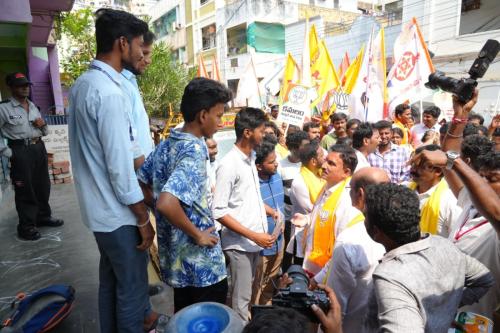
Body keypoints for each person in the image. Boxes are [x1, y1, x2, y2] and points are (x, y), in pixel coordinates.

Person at [68, 9, 154, 332]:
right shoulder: (109, 94)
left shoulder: (82, 85)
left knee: (111, 284)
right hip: (118, 215)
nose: (140, 52)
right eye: (138, 44)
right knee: (132, 290)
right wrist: (143, 219)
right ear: (122, 43)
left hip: (98, 214)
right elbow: (121, 171)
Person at [138, 77, 231, 313]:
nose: (220, 122)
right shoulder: (194, 149)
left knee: (184, 321)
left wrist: (157, 203)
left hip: (177, 265)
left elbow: (141, 182)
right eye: (218, 115)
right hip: (203, 269)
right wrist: (196, 234)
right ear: (203, 115)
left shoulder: (169, 143)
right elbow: (168, 204)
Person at [416, 89, 500, 320]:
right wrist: (460, 116)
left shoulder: (495, 220)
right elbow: (450, 160)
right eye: (480, 176)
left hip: (478, 320)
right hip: (447, 314)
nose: (481, 183)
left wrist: (453, 161)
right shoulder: (472, 205)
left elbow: (451, 160)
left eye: (492, 179)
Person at [364, 183, 493, 332]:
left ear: (376, 231)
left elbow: (484, 280)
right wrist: (445, 306)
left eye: (365, 216)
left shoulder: (389, 276)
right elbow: (484, 280)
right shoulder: (444, 245)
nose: (364, 220)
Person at [212, 107, 274, 321]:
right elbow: (218, 211)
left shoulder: (250, 159)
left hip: (253, 244)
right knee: (241, 302)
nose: (264, 134)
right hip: (240, 246)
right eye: (261, 130)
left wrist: (271, 212)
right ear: (247, 132)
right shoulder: (229, 164)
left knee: (245, 298)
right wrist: (254, 235)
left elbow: (246, 199)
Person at [310, 167, 387, 333]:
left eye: (349, 188)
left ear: (360, 194)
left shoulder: (350, 240)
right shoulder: (398, 230)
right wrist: (318, 278)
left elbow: (336, 307)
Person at [0, 72, 64, 241]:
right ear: (11, 87)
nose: (25, 88)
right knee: (25, 189)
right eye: (21, 85)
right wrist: (7, 152)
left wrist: (43, 126)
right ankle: (26, 226)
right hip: (20, 150)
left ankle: (42, 216)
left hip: (38, 147)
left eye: (27, 85)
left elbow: (44, 130)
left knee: (42, 185)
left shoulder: (33, 106)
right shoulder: (3, 108)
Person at [297, 144, 359, 277]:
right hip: (312, 266)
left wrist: (319, 279)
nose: (324, 166)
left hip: (326, 274)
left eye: (331, 164)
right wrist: (308, 219)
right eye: (325, 160)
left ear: (346, 172)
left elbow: (341, 247)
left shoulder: (346, 200)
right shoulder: (327, 187)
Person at [251, 141, 285, 306]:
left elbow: (279, 205)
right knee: (257, 281)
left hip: (279, 240)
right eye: (271, 162)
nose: (276, 163)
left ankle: (266, 307)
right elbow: (253, 202)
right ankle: (254, 311)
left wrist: (282, 219)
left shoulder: (277, 176)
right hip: (262, 244)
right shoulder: (251, 184)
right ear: (258, 166)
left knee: (271, 278)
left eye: (276, 160)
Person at [408, 144, 462, 238]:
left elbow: (456, 238)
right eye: (413, 164)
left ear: (438, 171)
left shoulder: (450, 201)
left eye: (419, 166)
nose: (413, 169)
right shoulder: (405, 190)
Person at [287, 141, 325, 269]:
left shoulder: (320, 175)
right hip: (303, 236)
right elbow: (311, 209)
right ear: (313, 161)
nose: (324, 158)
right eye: (321, 156)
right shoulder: (300, 182)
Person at [121, 30, 155, 164]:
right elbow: (128, 141)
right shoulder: (119, 85)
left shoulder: (130, 80)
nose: (147, 61)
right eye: (144, 53)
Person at [279, 130, 310, 271]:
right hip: (288, 219)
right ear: (294, 147)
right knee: (287, 253)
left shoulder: (309, 164)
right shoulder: (280, 166)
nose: (308, 148)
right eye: (305, 145)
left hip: (307, 219)